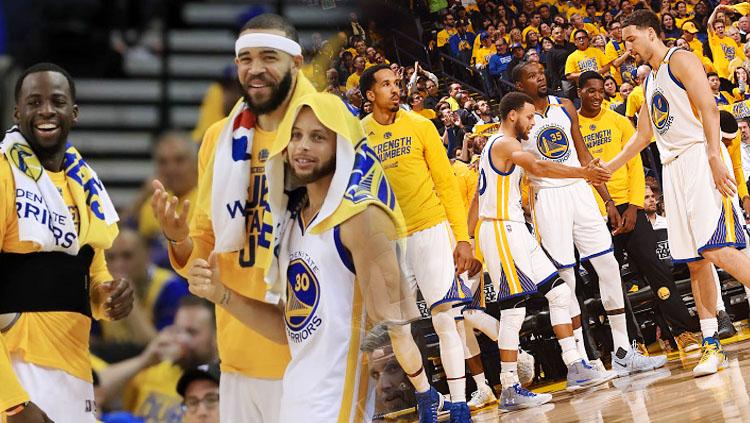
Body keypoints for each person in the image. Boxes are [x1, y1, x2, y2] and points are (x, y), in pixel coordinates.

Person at [187, 93, 420, 422]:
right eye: (295, 135)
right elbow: (291, 328)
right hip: (296, 402)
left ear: (341, 145)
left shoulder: (362, 219)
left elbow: (395, 327)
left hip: (344, 405)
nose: (302, 146)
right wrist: (221, 295)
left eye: (317, 137)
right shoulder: (290, 223)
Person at [151, 13, 316, 421]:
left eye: (268, 57)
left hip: (308, 355)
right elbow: (203, 251)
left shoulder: (322, 130)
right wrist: (178, 240)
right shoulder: (219, 137)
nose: (255, 69)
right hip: (237, 357)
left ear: (295, 63)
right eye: (245, 58)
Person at [606, 9, 750, 377]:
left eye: (631, 39)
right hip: (673, 169)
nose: (628, 48)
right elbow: (642, 136)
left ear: (651, 34)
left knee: (718, 248)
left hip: (699, 159)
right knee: (696, 260)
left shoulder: (680, 59)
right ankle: (710, 342)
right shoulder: (648, 80)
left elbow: (708, 108)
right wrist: (609, 166)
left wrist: (715, 157)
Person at [514, 61, 667, 376]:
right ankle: (583, 360)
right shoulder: (518, 120)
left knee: (609, 266)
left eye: (541, 71)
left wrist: (607, 199)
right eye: (531, 75)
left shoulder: (565, 106)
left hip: (582, 192)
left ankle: (624, 350)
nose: (540, 76)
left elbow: (583, 155)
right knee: (566, 279)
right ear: (519, 86)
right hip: (549, 199)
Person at [0, 62, 132, 422]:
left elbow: (92, 276)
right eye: (34, 101)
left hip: (74, 368)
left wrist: (111, 297)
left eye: (57, 101)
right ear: (17, 111)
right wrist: (11, 400)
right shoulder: (3, 175)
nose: (46, 111)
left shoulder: (85, 184)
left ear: (73, 114)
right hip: (19, 372)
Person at [467, 92, 613, 411]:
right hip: (502, 230)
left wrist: (468, 236)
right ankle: (509, 386)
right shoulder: (505, 144)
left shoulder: (498, 146)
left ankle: (575, 366)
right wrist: (583, 173)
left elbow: (476, 200)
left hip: (516, 228)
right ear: (511, 116)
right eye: (529, 117)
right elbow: (538, 166)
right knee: (514, 310)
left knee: (560, 293)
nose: (534, 122)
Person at [361, 64, 478, 421]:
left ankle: (458, 402)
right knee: (397, 329)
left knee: (446, 320)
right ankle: (427, 395)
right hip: (388, 241)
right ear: (369, 95)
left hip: (430, 229)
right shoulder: (358, 135)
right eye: (385, 85)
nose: (395, 90)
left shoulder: (421, 125)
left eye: (396, 83)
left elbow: (446, 184)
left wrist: (462, 238)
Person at [577, 70, 700, 353]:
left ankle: (681, 332)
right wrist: (604, 209)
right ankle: (632, 344)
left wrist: (633, 207)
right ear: (580, 91)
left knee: (658, 272)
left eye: (600, 91)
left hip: (629, 208)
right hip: (597, 214)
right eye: (590, 91)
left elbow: (634, 167)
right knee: (609, 283)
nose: (597, 96)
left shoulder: (619, 121)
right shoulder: (575, 129)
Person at [117, 297, 218, 422]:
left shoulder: (221, 387)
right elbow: (100, 391)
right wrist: (143, 360)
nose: (182, 339)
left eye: (192, 332)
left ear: (216, 337)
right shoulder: (153, 369)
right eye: (178, 330)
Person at [99, 228, 189, 346]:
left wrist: (128, 299)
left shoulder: (171, 287)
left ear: (146, 254)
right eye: (111, 258)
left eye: (127, 256)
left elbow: (164, 349)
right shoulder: (98, 288)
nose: (118, 265)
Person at [708, 5, 747, 80]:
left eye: (722, 27)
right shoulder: (714, 39)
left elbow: (739, 55)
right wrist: (716, 10)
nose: (720, 29)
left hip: (735, 74)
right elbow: (709, 23)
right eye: (718, 28)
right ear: (715, 31)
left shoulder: (730, 40)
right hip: (722, 75)